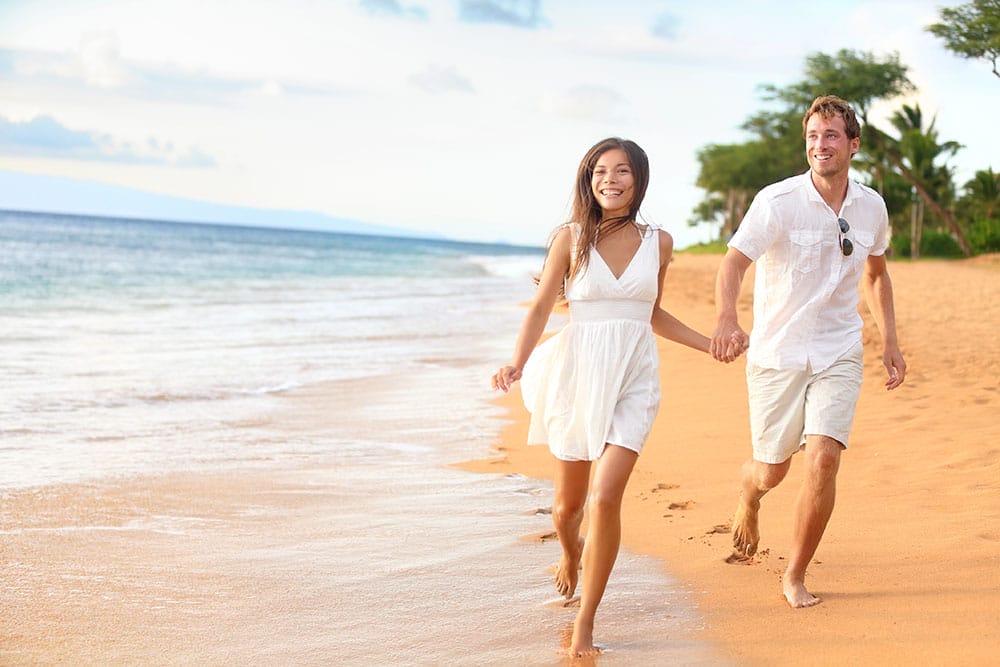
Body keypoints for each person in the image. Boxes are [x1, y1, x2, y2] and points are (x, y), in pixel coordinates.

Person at [491, 137, 743, 657]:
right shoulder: (570, 238)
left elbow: (650, 312)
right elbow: (542, 306)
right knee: (567, 509)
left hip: (633, 376)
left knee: (606, 497)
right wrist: (516, 361)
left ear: (638, 179)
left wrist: (707, 344)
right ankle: (569, 551)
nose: (611, 179)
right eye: (600, 171)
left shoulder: (660, 242)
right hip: (577, 375)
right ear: (589, 179)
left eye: (622, 170)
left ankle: (586, 620)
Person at [710, 95, 906, 608]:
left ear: (853, 144)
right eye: (814, 137)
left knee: (822, 461)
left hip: (838, 349)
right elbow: (733, 263)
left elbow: (876, 274)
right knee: (772, 470)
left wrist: (889, 340)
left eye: (832, 135)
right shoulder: (777, 201)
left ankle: (794, 574)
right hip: (777, 353)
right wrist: (728, 318)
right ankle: (749, 497)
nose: (821, 145)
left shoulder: (871, 206)